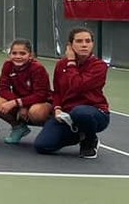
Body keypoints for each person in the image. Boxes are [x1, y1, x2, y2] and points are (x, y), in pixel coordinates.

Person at [34, 27, 109, 159]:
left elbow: (77, 86)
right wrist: (57, 108)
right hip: (67, 115)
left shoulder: (99, 66)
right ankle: (78, 135)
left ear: (92, 44)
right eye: (79, 41)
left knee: (80, 112)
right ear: (70, 45)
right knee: (42, 146)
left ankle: (90, 140)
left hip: (94, 113)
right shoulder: (61, 65)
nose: (84, 45)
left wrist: (71, 62)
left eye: (88, 41)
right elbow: (57, 92)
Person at [0, 38, 52, 145]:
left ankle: (51, 131)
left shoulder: (38, 68)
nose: (18, 56)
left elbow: (41, 95)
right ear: (9, 54)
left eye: (22, 53)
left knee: (36, 112)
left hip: (41, 103)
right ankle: (18, 127)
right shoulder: (8, 65)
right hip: (20, 102)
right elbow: (3, 88)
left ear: (30, 55)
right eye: (14, 53)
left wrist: (18, 103)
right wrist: (19, 104)